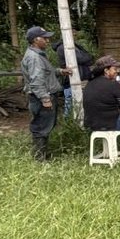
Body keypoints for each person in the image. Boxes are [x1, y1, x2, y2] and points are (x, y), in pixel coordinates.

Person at [21, 25, 69, 162]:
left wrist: (60, 71)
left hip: (43, 95)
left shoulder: (38, 55)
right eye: (45, 38)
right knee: (41, 127)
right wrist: (45, 99)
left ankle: (42, 155)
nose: (48, 41)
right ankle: (39, 159)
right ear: (36, 40)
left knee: (45, 125)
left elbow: (45, 73)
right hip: (41, 97)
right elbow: (36, 81)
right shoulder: (34, 58)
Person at [54, 34, 94, 119]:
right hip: (70, 79)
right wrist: (88, 57)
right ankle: (69, 122)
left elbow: (89, 58)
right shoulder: (62, 47)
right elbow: (82, 58)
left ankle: (78, 120)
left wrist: (88, 57)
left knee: (78, 101)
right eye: (73, 34)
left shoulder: (74, 45)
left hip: (80, 77)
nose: (75, 36)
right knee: (70, 101)